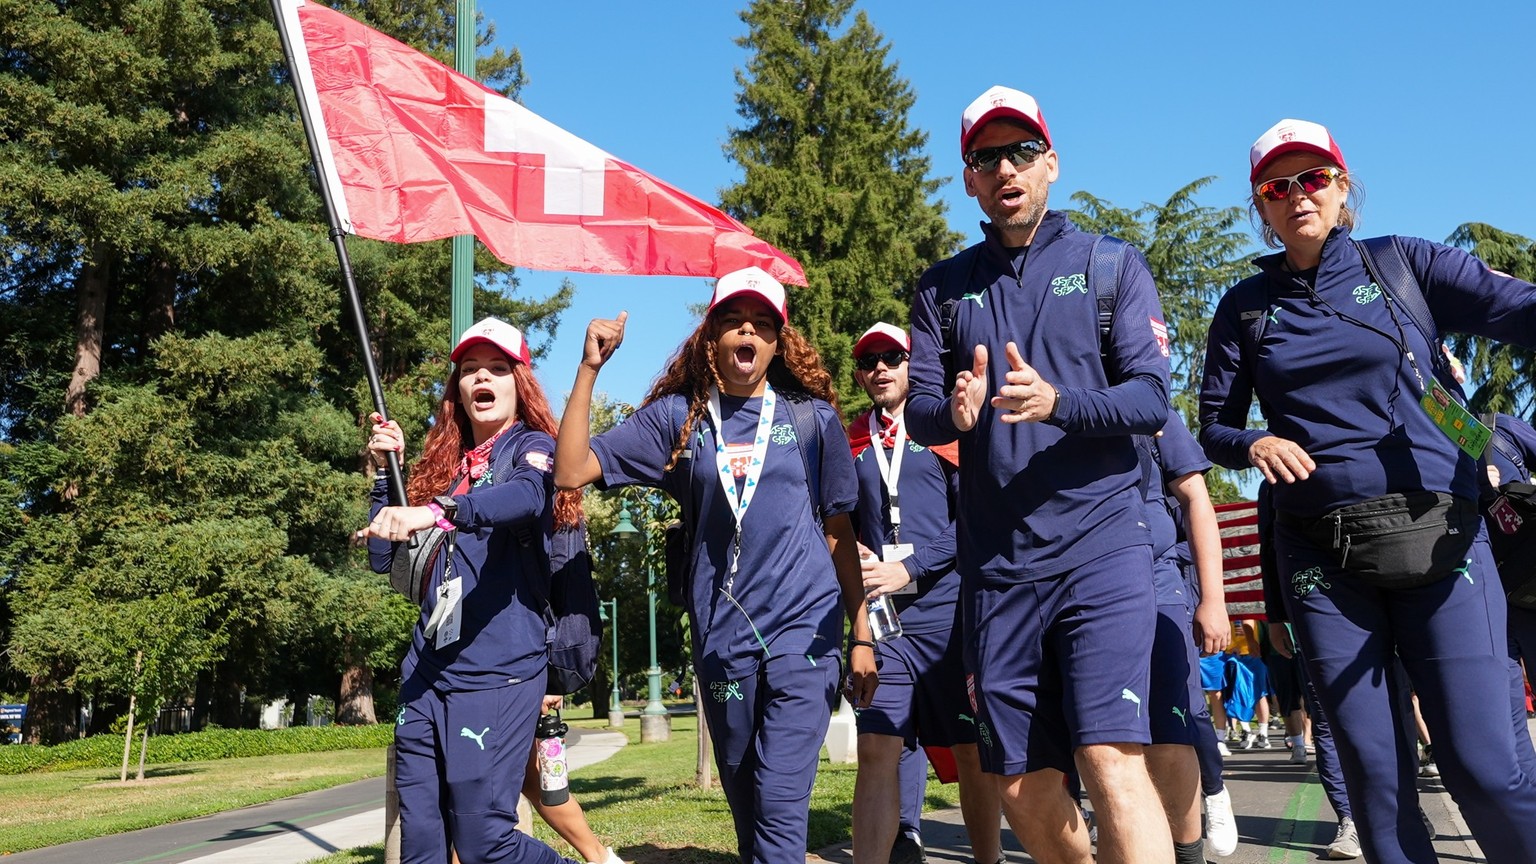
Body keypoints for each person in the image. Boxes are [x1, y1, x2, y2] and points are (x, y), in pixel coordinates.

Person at [1198, 117, 1536, 863]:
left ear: (1343, 187)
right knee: (1376, 784)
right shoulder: (1244, 309)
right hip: (1323, 559)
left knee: (1485, 767)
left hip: (1443, 540)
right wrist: (1253, 440)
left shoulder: (1402, 265)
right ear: (1261, 206)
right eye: (1276, 186)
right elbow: (1212, 431)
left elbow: (1518, 310)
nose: (1297, 196)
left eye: (1312, 178)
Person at [905, 85, 1176, 864]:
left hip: (1102, 550)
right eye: (986, 158)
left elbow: (1153, 397)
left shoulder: (1109, 263)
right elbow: (920, 406)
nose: (1005, 169)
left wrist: (1060, 403)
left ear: (1050, 163)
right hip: (995, 568)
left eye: (1021, 152)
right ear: (969, 181)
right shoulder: (940, 289)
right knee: (1020, 786)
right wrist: (953, 416)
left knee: (1108, 758)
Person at [553, 267, 878, 864]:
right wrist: (589, 369)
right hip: (723, 639)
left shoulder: (812, 420)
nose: (746, 334)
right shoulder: (680, 418)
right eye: (732, 322)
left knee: (781, 802)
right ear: (711, 338)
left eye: (761, 325)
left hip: (805, 632)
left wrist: (861, 633)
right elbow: (570, 471)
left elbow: (839, 535)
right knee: (751, 807)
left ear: (779, 342)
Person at [361, 317, 581, 864]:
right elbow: (381, 558)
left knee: (485, 844)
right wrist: (385, 479)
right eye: (470, 370)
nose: (483, 377)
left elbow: (527, 499)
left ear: (518, 382)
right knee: (423, 847)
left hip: (498, 672)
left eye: (498, 368)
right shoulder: (446, 465)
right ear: (458, 389)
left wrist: (437, 511)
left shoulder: (533, 449)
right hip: (424, 675)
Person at [843, 323, 1002, 864]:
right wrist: (857, 561)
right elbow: (842, 526)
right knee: (877, 747)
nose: (880, 369)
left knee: (969, 751)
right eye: (868, 362)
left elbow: (973, 519)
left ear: (913, 365)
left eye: (892, 357)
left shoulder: (944, 429)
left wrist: (909, 568)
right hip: (884, 622)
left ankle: (988, 858)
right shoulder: (852, 440)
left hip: (948, 617)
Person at [1135, 409, 1234, 860]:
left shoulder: (1150, 408)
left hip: (1161, 581)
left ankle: (1212, 792)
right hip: (1093, 584)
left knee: (1185, 712)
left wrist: (1212, 600)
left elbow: (1196, 499)